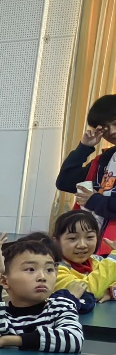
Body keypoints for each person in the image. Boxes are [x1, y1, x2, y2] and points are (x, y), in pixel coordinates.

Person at [0, 235, 85, 353]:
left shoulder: (61, 306)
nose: (42, 277)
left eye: (49, 270)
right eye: (30, 269)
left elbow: (74, 340)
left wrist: (8, 340)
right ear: (4, 281)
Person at [55, 94, 116, 255]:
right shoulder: (106, 158)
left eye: (115, 124)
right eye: (105, 128)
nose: (112, 132)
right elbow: (65, 182)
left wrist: (94, 200)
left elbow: (93, 200)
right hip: (95, 247)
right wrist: (84, 147)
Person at [51, 209, 116, 305]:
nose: (82, 245)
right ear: (56, 241)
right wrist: (113, 258)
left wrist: (111, 292)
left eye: (89, 237)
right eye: (73, 238)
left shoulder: (97, 261)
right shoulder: (53, 269)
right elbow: (86, 293)